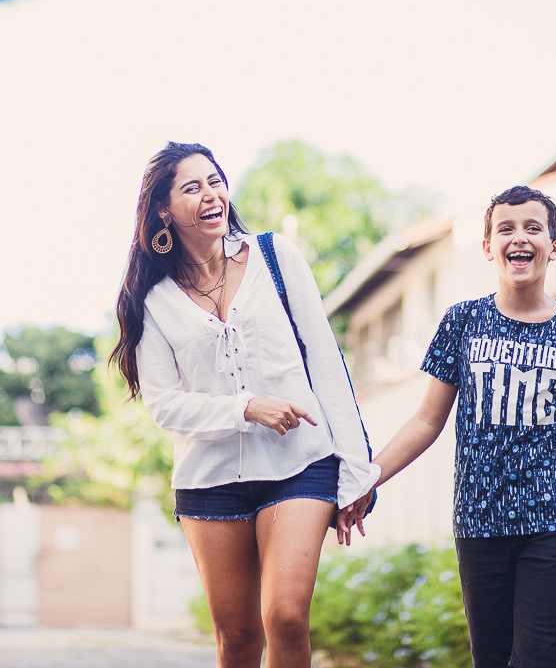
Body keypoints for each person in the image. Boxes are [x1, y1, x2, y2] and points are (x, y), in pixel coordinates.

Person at [337, 185, 556, 668]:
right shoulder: (462, 323)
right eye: (506, 228)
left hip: (555, 520)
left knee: (545, 659)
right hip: (479, 520)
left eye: (533, 228)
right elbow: (426, 420)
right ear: (488, 246)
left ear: (554, 246)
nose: (520, 237)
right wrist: (367, 478)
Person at [113, 142, 380, 668]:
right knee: (235, 641)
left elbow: (325, 362)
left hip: (300, 464)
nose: (211, 195)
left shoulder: (275, 257)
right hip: (210, 481)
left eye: (215, 181)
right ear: (164, 210)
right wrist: (245, 407)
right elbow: (165, 405)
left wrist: (356, 472)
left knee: (284, 615)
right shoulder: (153, 300)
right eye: (192, 187)